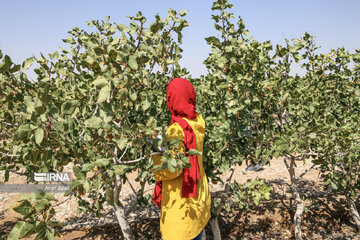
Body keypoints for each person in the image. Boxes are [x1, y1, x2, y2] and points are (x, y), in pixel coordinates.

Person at [152, 78, 211, 240]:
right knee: (196, 232)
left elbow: (174, 168)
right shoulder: (198, 120)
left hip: (180, 203)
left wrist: (155, 160)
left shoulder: (176, 129)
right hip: (198, 194)